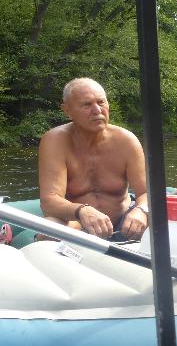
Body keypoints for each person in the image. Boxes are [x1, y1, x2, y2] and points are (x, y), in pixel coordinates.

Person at [38, 78, 148, 242]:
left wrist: (141, 211)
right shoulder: (55, 141)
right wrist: (82, 210)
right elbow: (49, 202)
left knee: (164, 223)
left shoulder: (126, 140)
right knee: (49, 230)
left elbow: (146, 192)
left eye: (101, 102)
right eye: (86, 105)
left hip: (125, 224)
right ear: (67, 111)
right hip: (78, 225)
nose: (97, 110)